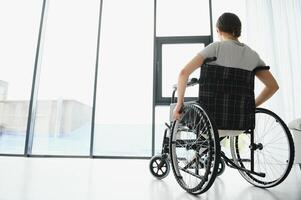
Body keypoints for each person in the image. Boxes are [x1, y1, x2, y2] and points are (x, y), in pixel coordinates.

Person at [173, 12, 279, 121]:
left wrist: (179, 103)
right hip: (239, 122)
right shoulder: (253, 55)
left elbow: (183, 73)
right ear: (238, 31)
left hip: (210, 122)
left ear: (218, 30)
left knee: (179, 111)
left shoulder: (215, 48)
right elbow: (273, 86)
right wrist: (252, 106)